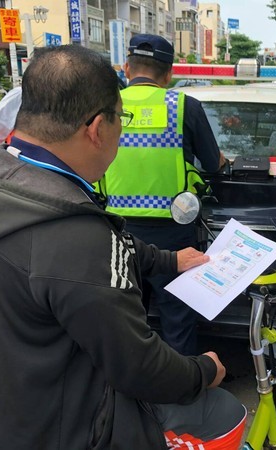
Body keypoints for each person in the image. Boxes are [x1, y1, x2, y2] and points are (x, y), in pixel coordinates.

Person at [0, 45, 246, 450]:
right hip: (73, 430)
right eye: (120, 121)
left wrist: (167, 259)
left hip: (3, 419)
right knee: (224, 411)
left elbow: (98, 249)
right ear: (96, 128)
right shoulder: (75, 236)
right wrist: (203, 370)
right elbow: (140, 367)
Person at [100, 34, 226, 356]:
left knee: (126, 319)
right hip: (174, 234)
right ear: (169, 74)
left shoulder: (107, 107)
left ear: (127, 67)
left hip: (116, 232)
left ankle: (131, 394)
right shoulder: (185, 106)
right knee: (177, 319)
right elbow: (213, 165)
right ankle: (179, 393)